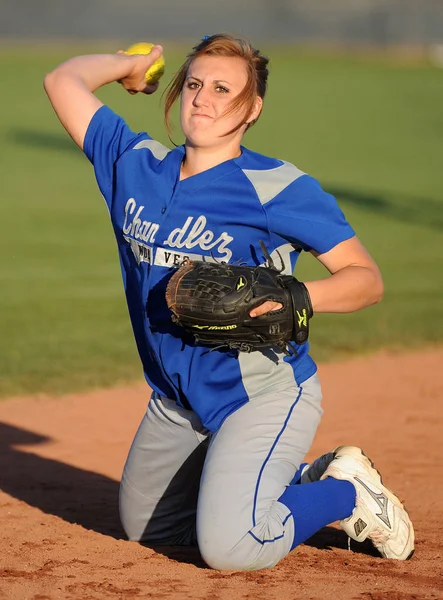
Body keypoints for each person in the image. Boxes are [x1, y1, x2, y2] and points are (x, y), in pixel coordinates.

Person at [44, 34, 414, 570]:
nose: (203, 98)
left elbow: (366, 280)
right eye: (194, 84)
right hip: (178, 401)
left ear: (252, 108)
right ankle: (299, 476)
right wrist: (134, 65)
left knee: (229, 545)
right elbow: (62, 81)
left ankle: (348, 493)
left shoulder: (276, 188)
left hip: (260, 394)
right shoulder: (134, 165)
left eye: (223, 88)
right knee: (152, 528)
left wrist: (294, 295)